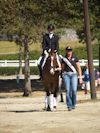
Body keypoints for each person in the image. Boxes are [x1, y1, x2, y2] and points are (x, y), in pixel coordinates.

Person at [61, 46, 83, 111]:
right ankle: (69, 105)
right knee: (68, 90)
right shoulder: (64, 59)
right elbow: (62, 68)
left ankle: (73, 103)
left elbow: (79, 68)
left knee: (74, 90)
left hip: (74, 75)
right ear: (66, 51)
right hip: (66, 75)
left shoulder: (75, 58)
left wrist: (80, 77)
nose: (69, 52)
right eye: (68, 50)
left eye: (70, 50)